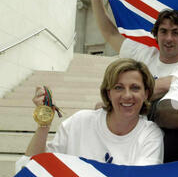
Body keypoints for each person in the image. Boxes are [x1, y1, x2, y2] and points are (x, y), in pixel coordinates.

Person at [19, 58, 164, 168]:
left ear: (146, 94)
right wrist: (44, 124)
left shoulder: (150, 134)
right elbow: (30, 168)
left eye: (135, 88)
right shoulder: (79, 122)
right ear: (108, 93)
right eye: (118, 88)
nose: (127, 95)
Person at [89, 0, 178, 100]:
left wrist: (116, 99)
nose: (169, 38)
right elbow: (111, 34)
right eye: (163, 32)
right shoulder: (145, 53)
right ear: (156, 35)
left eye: (175, 33)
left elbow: (160, 88)